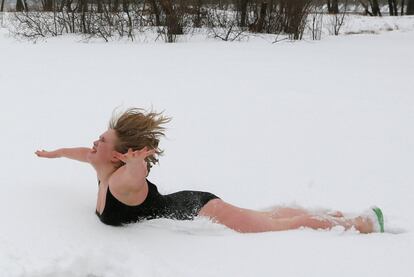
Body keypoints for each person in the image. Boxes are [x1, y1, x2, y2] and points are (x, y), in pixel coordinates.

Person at [35, 108, 384, 234]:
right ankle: (332, 215)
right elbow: (80, 153)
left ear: (121, 157)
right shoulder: (102, 163)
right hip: (190, 200)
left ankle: (359, 224)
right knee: (268, 216)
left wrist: (138, 161)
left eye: (103, 140)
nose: (94, 143)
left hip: (202, 210)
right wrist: (54, 153)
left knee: (277, 226)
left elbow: (136, 177)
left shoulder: (125, 182)